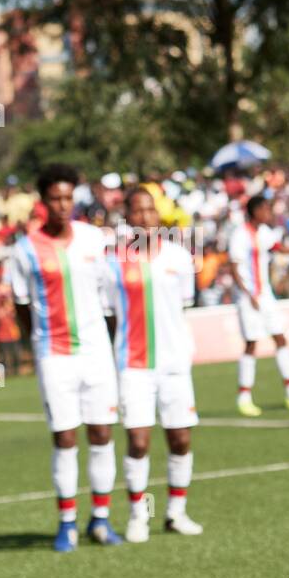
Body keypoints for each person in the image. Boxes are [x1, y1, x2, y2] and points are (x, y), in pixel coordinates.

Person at [10, 163, 122, 551]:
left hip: (96, 354)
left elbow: (110, 297)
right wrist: (39, 341)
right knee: (64, 437)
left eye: (67, 198)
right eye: (55, 198)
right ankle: (67, 523)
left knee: (102, 434)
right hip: (54, 355)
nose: (62, 205)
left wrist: (107, 344)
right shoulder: (25, 249)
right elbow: (21, 304)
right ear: (43, 202)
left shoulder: (93, 238)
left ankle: (102, 520)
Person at [104, 187, 204, 542]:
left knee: (180, 439)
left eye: (150, 211)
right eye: (138, 211)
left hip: (175, 362)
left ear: (158, 216)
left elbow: (183, 306)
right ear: (128, 218)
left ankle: (176, 513)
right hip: (133, 364)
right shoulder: (113, 260)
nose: (145, 217)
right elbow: (109, 314)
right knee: (139, 441)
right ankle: (137, 517)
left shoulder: (178, 256)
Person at [227, 194, 289, 416]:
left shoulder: (264, 232)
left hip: (266, 295)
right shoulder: (240, 235)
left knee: (281, 338)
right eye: (265, 209)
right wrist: (247, 293)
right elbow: (234, 267)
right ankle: (244, 397)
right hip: (248, 297)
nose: (268, 213)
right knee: (251, 343)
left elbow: (280, 248)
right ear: (255, 211)